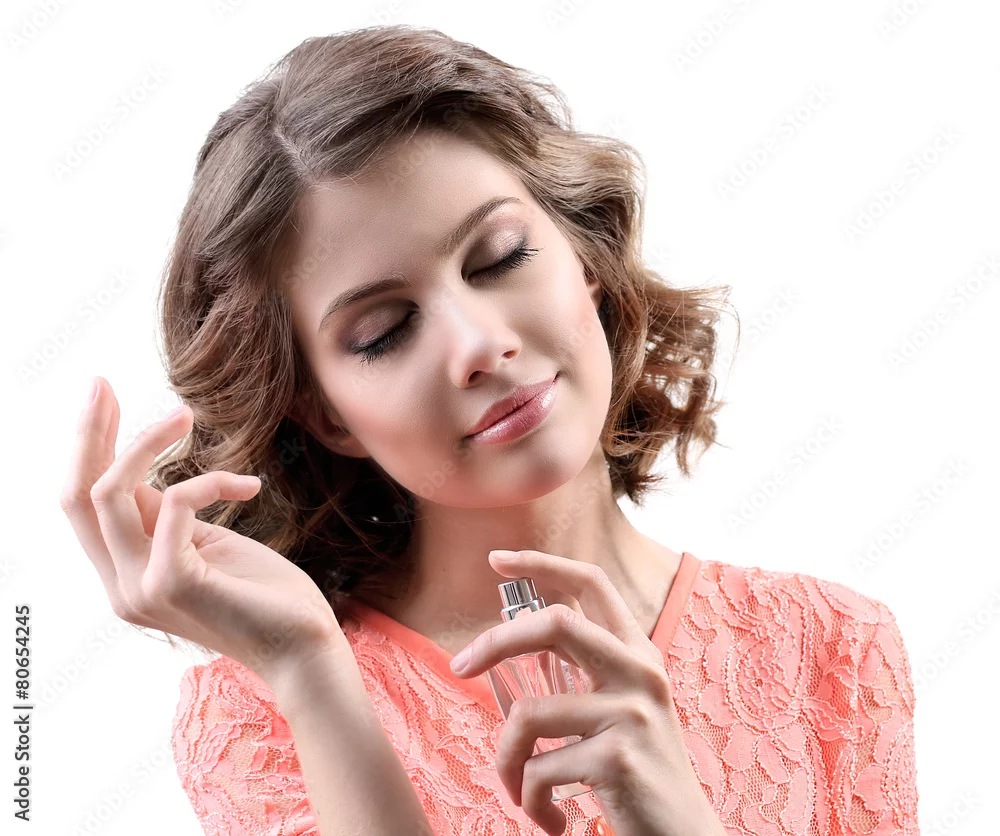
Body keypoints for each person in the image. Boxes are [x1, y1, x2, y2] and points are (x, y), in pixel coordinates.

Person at [60, 24, 920, 836]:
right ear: (325, 413)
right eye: (384, 332)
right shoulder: (259, 713)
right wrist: (310, 673)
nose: (479, 345)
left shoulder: (832, 649)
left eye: (501, 257)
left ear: (584, 254)